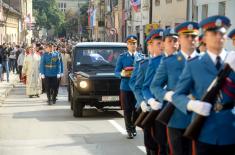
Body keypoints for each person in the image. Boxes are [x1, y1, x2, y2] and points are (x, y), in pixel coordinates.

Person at [172, 15, 235, 155]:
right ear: (205, 38)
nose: (218, 37)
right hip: (205, 129)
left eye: (222, 34)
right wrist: (192, 105)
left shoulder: (233, 61)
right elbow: (178, 95)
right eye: (214, 33)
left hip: (231, 129)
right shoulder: (194, 65)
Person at [151, 22, 199, 155]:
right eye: (186, 37)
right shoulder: (169, 62)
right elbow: (155, 86)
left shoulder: (204, 61)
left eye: (193, 36)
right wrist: (168, 96)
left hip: (200, 119)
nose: (191, 40)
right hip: (177, 118)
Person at [115, 35, 139, 139]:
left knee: (136, 109)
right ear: (127, 45)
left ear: (136, 44)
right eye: (130, 43)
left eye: (134, 43)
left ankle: (134, 126)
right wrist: (122, 73)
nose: (132, 45)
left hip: (137, 88)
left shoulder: (141, 57)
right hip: (125, 87)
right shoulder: (122, 57)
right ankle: (129, 130)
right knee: (127, 109)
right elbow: (116, 72)